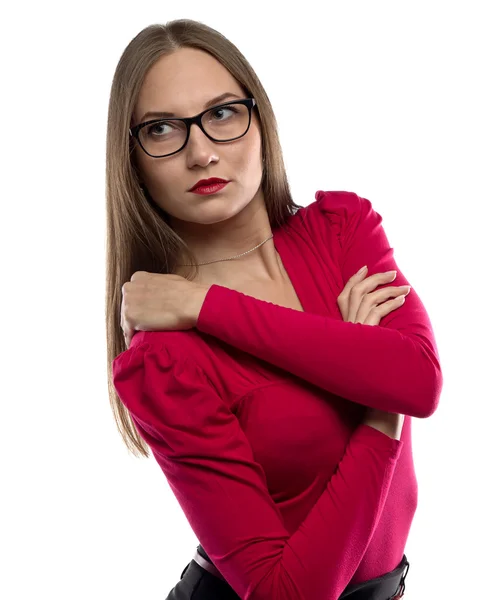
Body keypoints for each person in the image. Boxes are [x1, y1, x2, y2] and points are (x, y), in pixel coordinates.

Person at [107, 18, 442, 600]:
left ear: (260, 119)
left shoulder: (341, 232)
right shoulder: (166, 359)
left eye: (222, 114)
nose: (202, 152)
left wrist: (206, 305)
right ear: (132, 160)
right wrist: (378, 412)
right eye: (162, 129)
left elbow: (419, 381)